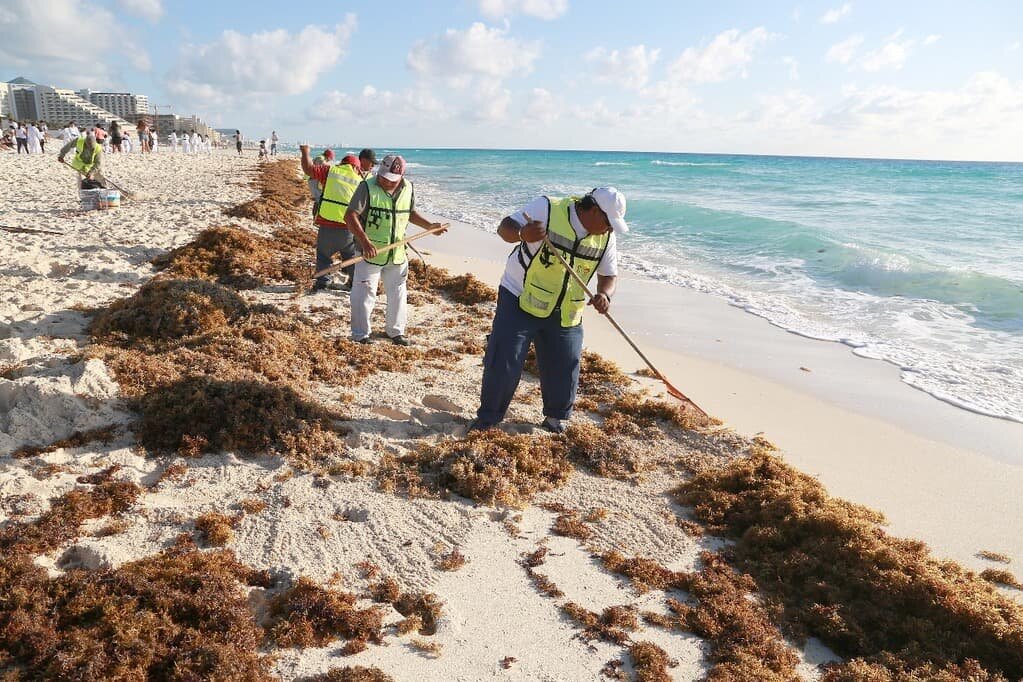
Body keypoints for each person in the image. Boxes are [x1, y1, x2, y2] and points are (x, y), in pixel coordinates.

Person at [468, 187, 628, 434]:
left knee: (565, 363)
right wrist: (523, 233)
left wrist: (605, 294)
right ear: (594, 210)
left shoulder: (606, 236)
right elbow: (504, 229)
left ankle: (556, 419)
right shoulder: (547, 208)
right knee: (506, 359)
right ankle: (488, 419)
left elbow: (609, 275)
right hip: (520, 297)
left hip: (566, 309)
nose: (610, 228)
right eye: (608, 222)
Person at [344, 154, 447, 345]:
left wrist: (429, 227)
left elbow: (411, 213)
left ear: (401, 176)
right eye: (382, 176)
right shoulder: (367, 186)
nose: (384, 181)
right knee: (364, 293)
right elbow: (350, 216)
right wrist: (365, 242)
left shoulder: (408, 188)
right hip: (369, 253)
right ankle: (360, 335)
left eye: (390, 179)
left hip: (397, 253)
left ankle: (395, 331)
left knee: (398, 293)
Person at [299, 146, 368, 292]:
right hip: (348, 230)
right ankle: (355, 283)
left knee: (324, 256)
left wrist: (305, 151)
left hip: (327, 227)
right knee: (350, 258)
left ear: (342, 164)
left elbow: (308, 169)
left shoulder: (330, 171)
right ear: (357, 168)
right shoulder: (361, 182)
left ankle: (323, 283)